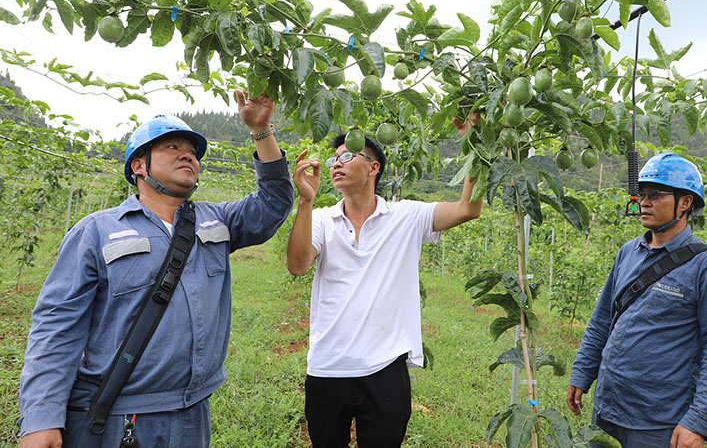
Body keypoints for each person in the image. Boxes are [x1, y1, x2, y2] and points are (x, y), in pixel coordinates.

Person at [17, 90, 294, 448]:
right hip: (121, 414)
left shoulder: (217, 219)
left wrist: (261, 130)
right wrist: (42, 417)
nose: (187, 156)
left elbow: (274, 203)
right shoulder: (96, 230)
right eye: (171, 148)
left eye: (193, 152)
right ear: (138, 165)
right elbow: (57, 324)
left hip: (193, 410)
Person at [286, 117, 482, 447]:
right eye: (335, 158)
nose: (337, 163)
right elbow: (297, 265)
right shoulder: (321, 219)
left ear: (373, 167)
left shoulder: (407, 217)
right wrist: (305, 201)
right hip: (327, 367)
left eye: (347, 156)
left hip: (384, 369)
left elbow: (468, 209)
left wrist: (475, 146)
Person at [566, 153, 707, 448]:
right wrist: (583, 372)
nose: (644, 202)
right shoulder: (628, 253)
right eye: (643, 194)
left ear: (685, 203)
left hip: (658, 424)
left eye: (655, 195)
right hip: (607, 412)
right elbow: (603, 320)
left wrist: (699, 421)